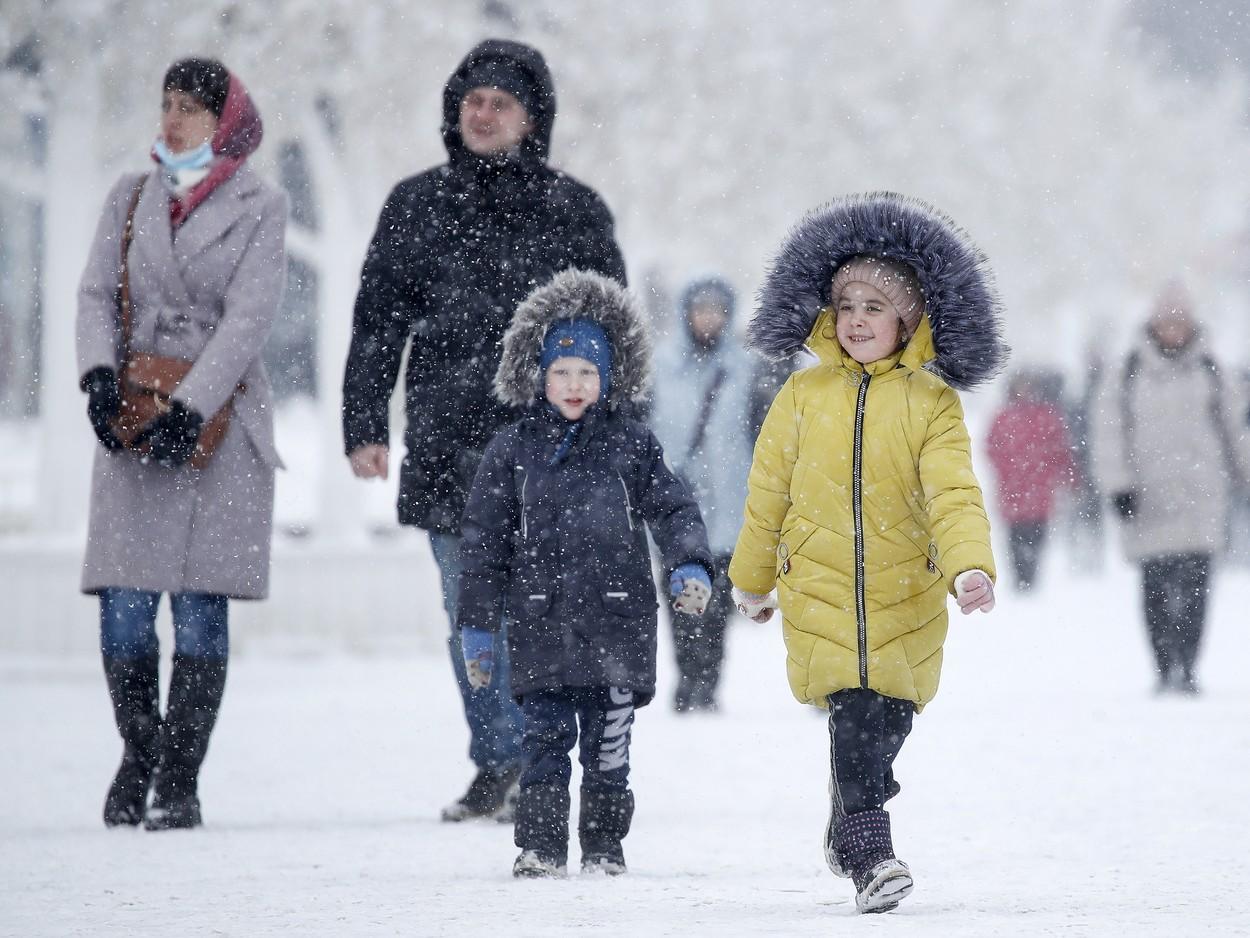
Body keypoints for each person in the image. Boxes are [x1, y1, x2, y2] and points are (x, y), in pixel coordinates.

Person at [341, 39, 627, 822]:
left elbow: (615, 335)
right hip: (443, 441)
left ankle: (539, 761)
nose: (483, 111)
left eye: (501, 101)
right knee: (470, 613)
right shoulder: (413, 205)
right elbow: (377, 324)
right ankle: (499, 759)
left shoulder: (575, 211)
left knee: (542, 611)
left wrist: (616, 439)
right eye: (472, 99)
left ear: (532, 119)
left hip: (551, 445)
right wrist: (364, 423)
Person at [729, 193, 1006, 913]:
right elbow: (767, 494)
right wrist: (753, 579)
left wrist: (969, 566)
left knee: (884, 731)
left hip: (903, 597)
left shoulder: (930, 404)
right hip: (817, 589)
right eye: (845, 304)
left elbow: (954, 495)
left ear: (909, 321)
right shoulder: (799, 396)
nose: (856, 318)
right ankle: (870, 856)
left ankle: (848, 810)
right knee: (852, 720)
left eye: (875, 307)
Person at [76, 59, 286, 829]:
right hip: (133, 415)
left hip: (219, 430)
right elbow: (97, 292)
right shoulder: (128, 196)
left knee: (199, 610)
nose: (173, 120)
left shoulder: (264, 204)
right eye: (165, 103)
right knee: (125, 607)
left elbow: (249, 318)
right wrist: (98, 378)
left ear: (225, 121)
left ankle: (180, 779)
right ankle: (139, 755)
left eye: (192, 108)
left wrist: (190, 408)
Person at [456, 269, 714, 878]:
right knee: (543, 746)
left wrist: (688, 565)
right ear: (538, 375)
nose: (574, 385)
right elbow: (483, 544)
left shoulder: (631, 445)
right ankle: (541, 848)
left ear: (609, 377)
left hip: (617, 627)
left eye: (588, 373)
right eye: (561, 373)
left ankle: (603, 847)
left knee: (608, 751)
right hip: (540, 625)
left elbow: (673, 509)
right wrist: (477, 628)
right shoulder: (512, 450)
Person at [1092, 283, 1248, 695]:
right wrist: (1118, 485)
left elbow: (1237, 431)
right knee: (1156, 587)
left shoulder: (1213, 371)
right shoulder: (1127, 373)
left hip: (1202, 496)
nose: (1174, 328)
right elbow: (1108, 434)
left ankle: (1189, 666)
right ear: (1154, 323)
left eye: (1180, 319)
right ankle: (1163, 668)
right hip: (1149, 500)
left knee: (1198, 589)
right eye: (1167, 319)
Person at [650, 276, 754, 711]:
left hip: (730, 506)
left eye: (717, 309)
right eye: (701, 308)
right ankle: (687, 678)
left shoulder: (745, 369)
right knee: (681, 599)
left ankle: (708, 683)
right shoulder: (661, 368)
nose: (708, 317)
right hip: (678, 504)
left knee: (717, 606)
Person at [985, 370, 1075, 591]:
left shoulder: (1047, 416)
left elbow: (1060, 450)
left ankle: (1031, 576)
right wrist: (1008, 469)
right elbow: (991, 448)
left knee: (1037, 535)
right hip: (1012, 490)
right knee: (1015, 537)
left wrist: (1063, 475)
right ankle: (1020, 577)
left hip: (1039, 491)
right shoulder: (1004, 417)